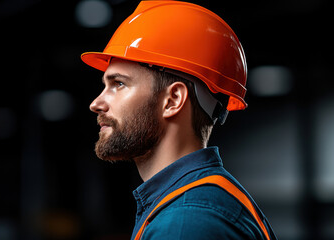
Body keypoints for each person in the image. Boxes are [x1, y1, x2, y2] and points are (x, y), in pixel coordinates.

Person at [81, 1, 277, 239]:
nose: (96, 103)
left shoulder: (185, 222)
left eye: (119, 84)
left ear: (173, 100)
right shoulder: (192, 204)